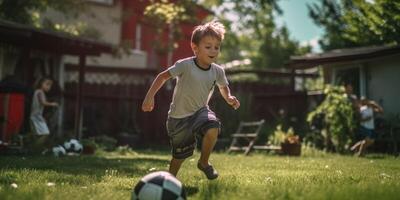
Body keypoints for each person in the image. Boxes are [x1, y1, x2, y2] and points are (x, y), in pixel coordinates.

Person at [142, 21, 240, 179]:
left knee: (213, 127)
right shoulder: (185, 65)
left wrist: (228, 97)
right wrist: (149, 96)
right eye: (208, 47)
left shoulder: (218, 71)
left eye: (217, 46)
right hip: (178, 118)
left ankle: (204, 163)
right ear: (195, 48)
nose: (213, 50)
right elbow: (162, 76)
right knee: (180, 156)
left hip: (201, 111)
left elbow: (223, 87)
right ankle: (169, 181)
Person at [30, 76, 59, 152]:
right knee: (45, 133)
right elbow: (42, 102)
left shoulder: (39, 92)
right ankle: (33, 148)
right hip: (35, 117)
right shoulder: (39, 92)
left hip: (37, 116)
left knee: (39, 134)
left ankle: (40, 149)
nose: (48, 87)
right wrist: (52, 104)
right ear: (41, 84)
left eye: (50, 85)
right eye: (47, 84)